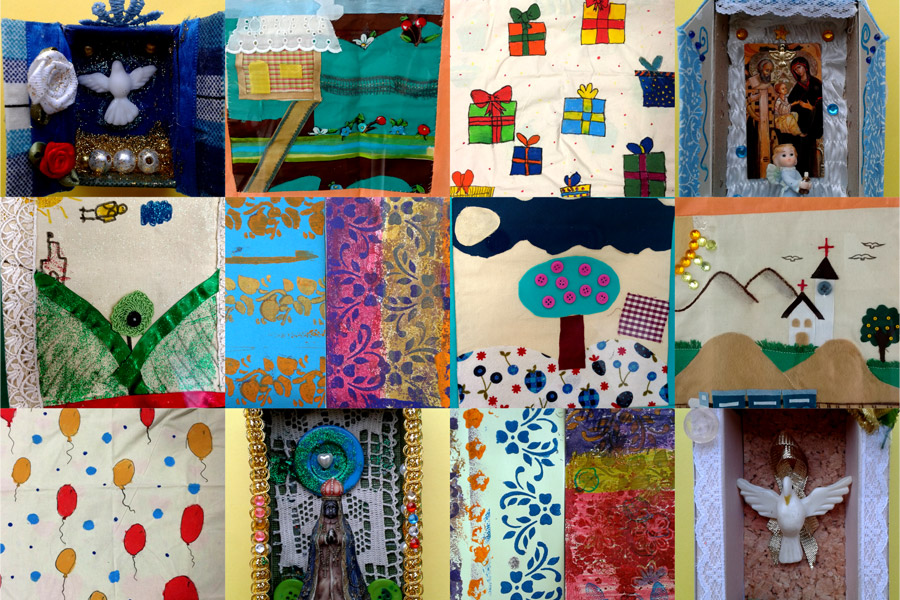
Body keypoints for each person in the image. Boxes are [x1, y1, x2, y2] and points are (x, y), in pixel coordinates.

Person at [301, 478, 371, 600]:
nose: (330, 510)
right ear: (323, 509)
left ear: (339, 508)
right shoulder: (320, 525)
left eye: (333, 507)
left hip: (339, 566)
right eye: (327, 507)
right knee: (322, 587)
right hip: (323, 567)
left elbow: (348, 541)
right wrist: (325, 539)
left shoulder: (343, 525)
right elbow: (314, 541)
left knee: (338, 586)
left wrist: (338, 538)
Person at [783, 56, 823, 176]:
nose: (798, 71)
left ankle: (810, 175)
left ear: (805, 67)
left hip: (812, 124)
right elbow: (790, 102)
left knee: (809, 151)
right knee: (799, 151)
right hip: (799, 124)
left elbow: (822, 104)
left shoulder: (816, 83)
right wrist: (796, 104)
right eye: (795, 70)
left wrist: (810, 107)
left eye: (799, 67)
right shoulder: (798, 86)